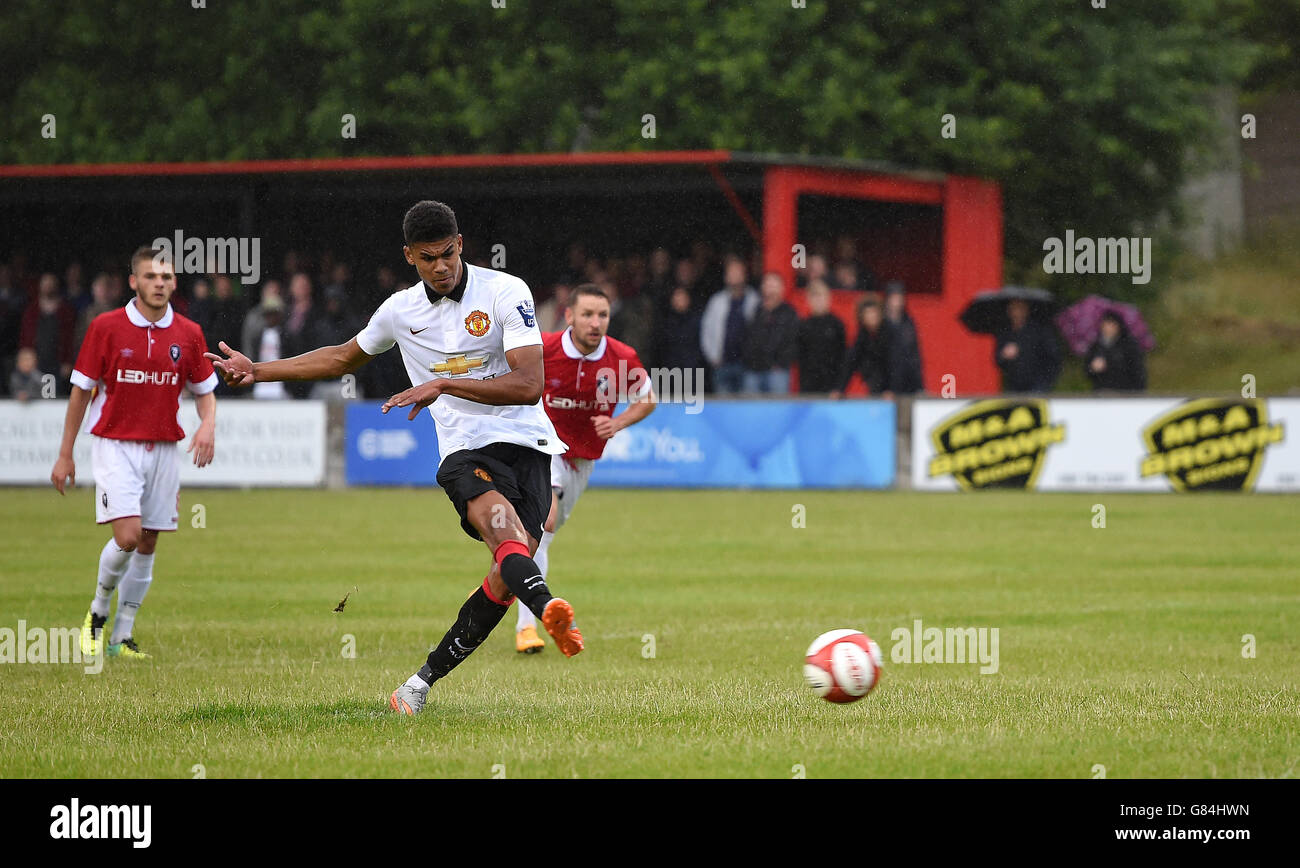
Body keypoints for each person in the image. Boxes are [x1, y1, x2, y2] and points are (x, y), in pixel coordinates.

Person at [204, 200, 584, 715]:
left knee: (504, 575)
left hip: (529, 447)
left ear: (461, 245)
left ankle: (419, 683)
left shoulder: (505, 291)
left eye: (448, 254)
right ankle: (549, 608)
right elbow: (342, 355)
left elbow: (529, 384)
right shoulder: (399, 311)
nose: (441, 267)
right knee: (506, 538)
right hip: (465, 451)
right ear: (410, 256)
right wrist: (259, 371)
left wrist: (446, 381)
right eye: (428, 258)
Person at [50, 246, 218, 660]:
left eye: (165, 277)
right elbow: (80, 392)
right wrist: (65, 453)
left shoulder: (189, 333)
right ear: (134, 282)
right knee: (127, 536)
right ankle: (97, 611)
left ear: (174, 282)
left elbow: (205, 392)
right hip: (115, 444)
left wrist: (207, 425)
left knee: (148, 541)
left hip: (163, 448)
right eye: (150, 276)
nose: (159, 283)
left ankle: (122, 636)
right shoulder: (106, 327)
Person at [512, 284, 656, 653]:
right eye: (588, 314)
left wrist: (618, 423)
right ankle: (528, 628)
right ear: (569, 316)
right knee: (544, 522)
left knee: (543, 532)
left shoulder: (622, 357)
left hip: (583, 459)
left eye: (603, 315)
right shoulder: (544, 348)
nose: (596, 322)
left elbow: (647, 399)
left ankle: (505, 579)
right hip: (543, 447)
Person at [699, 255, 759, 394]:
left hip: (747, 365)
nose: (734, 276)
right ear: (725, 277)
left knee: (746, 408)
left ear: (745, 276)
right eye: (731, 273)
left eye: (738, 272)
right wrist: (712, 357)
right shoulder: (716, 301)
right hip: (722, 363)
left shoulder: (754, 300)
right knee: (723, 409)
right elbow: (706, 331)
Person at [741, 273, 799, 394]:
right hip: (754, 370)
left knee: (777, 409)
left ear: (781, 289)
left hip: (777, 372)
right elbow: (748, 338)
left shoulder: (789, 312)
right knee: (750, 409)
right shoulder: (756, 310)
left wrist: (780, 363)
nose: (770, 290)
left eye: (773, 286)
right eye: (767, 285)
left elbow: (792, 341)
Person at [996, 298, 1061, 393]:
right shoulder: (1005, 333)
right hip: (1014, 386)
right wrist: (1004, 355)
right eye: (1013, 309)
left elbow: (1053, 357)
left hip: (1037, 385)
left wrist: (1045, 382)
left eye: (1019, 308)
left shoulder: (1039, 331)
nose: (1016, 312)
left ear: (1026, 310)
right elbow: (998, 360)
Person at [833, 299, 891, 398]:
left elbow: (895, 365)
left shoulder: (890, 334)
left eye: (873, 312)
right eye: (867, 313)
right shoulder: (862, 338)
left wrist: (890, 389)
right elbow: (850, 364)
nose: (871, 316)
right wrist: (840, 389)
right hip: (876, 389)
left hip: (897, 389)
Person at [797, 280, 846, 394]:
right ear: (808, 300)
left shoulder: (837, 324)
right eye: (814, 297)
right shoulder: (804, 325)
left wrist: (839, 386)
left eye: (821, 296)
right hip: (809, 384)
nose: (818, 301)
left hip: (831, 384)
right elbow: (801, 358)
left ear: (828, 298)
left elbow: (843, 357)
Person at [1085, 311, 1147, 392]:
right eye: (1106, 324)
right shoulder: (1096, 345)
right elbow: (1087, 371)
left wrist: (1110, 364)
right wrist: (1093, 368)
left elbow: (1137, 371)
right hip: (1102, 393)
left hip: (1125, 393)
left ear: (1118, 326)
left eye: (1112, 324)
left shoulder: (1129, 345)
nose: (1108, 328)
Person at [883, 284, 924, 394]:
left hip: (907, 380)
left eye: (900, 298)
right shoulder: (881, 323)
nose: (897, 302)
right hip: (886, 382)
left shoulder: (908, 322)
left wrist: (920, 385)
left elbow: (915, 355)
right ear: (887, 299)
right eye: (894, 298)